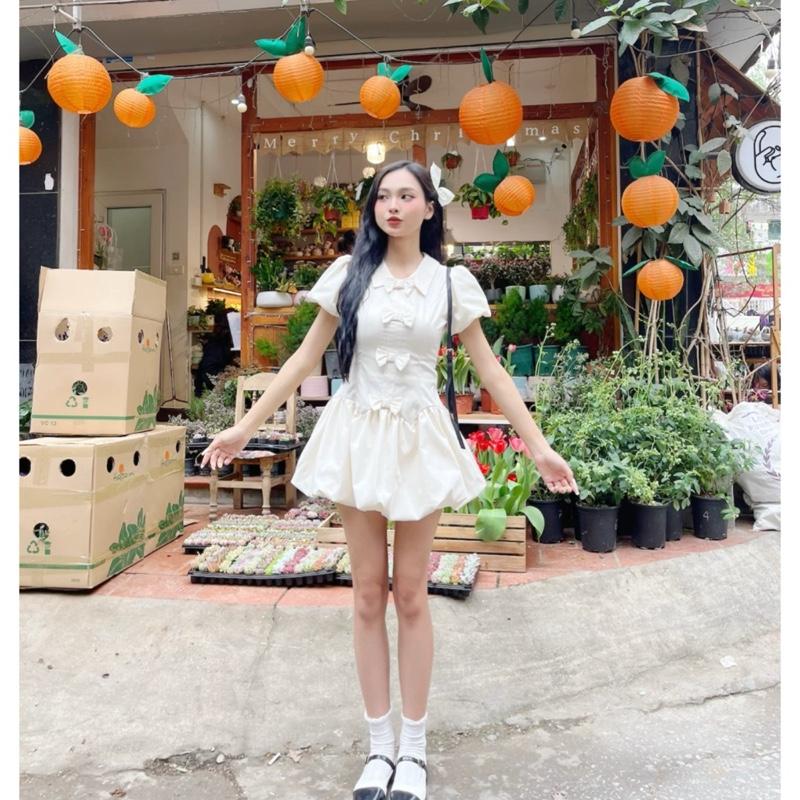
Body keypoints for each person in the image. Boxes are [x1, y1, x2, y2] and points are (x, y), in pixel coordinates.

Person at [202, 160, 577, 800]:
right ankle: (379, 749)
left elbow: (490, 370)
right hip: (358, 435)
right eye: (383, 196)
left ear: (430, 207)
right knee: (367, 594)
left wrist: (538, 447)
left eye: (407, 195)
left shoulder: (450, 283)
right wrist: (244, 427)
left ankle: (415, 750)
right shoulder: (349, 274)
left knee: (412, 595)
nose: (393, 206)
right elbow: (303, 358)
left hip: (418, 440)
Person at [193, 311, 236, 397]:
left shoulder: (219, 342)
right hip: (209, 390)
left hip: (208, 386)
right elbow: (209, 371)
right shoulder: (218, 345)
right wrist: (229, 373)